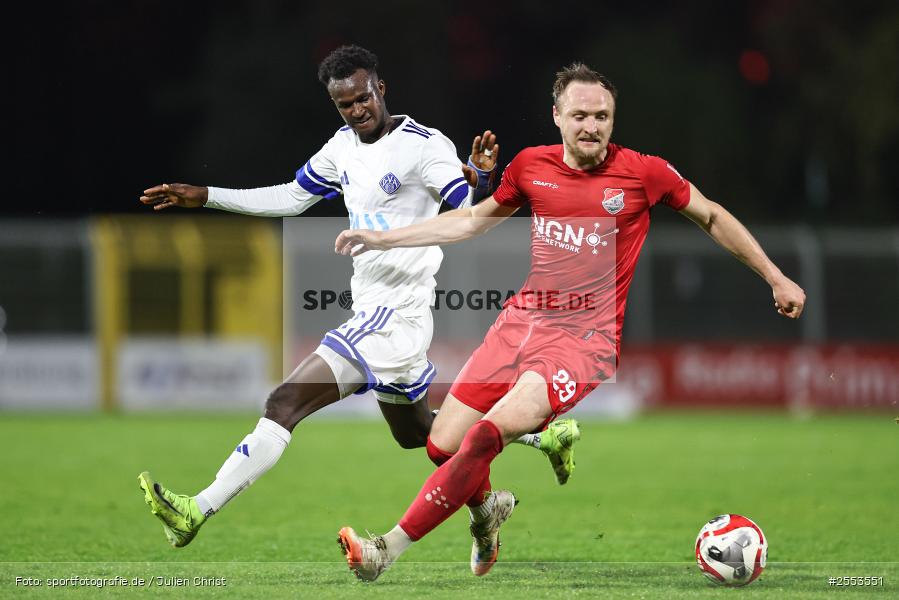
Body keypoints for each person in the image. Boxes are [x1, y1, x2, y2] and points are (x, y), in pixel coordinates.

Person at [333, 62, 807, 581]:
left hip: (583, 342)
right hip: (520, 323)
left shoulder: (643, 173)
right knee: (441, 446)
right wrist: (383, 238)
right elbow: (470, 221)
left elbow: (711, 215)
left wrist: (775, 276)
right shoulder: (531, 166)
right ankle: (487, 513)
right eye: (580, 115)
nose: (591, 126)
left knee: (484, 438)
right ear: (557, 116)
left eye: (602, 116)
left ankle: (385, 550)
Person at [135, 45, 582, 549]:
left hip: (393, 316)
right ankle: (537, 442)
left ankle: (197, 509)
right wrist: (207, 195)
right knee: (421, 435)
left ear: (380, 88)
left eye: (363, 97)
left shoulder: (424, 145)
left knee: (284, 402)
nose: (356, 110)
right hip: (385, 315)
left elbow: (464, 209)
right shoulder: (342, 147)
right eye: (344, 104)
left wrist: (475, 179)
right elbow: (292, 196)